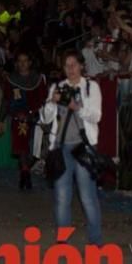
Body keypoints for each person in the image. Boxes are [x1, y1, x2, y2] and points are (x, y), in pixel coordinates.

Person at [39, 51, 103, 246]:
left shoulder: (91, 87)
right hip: (61, 147)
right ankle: (63, 242)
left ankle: (95, 242)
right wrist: (52, 102)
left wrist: (77, 107)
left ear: (81, 66)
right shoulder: (57, 87)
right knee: (61, 196)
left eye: (74, 64)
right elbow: (45, 118)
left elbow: (96, 116)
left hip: (84, 147)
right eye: (67, 65)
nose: (70, 69)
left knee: (87, 197)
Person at [7, 52, 48, 190]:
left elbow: (43, 99)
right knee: (21, 146)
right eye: (20, 60)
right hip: (19, 118)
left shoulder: (38, 79)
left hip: (35, 118)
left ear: (30, 62)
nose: (23, 63)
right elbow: (8, 100)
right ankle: (25, 172)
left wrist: (32, 113)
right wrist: (5, 118)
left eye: (25, 60)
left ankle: (26, 171)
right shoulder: (11, 79)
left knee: (34, 149)